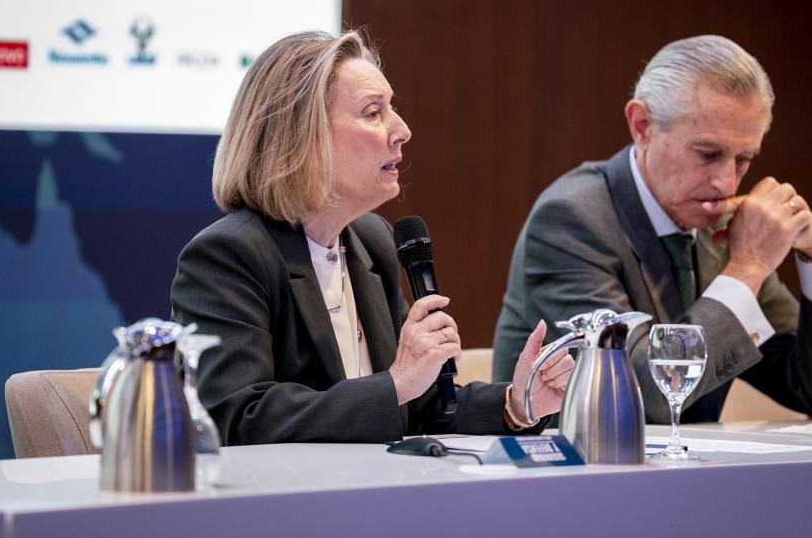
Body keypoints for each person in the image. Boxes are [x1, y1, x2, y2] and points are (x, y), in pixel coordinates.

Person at [171, 30, 573, 444]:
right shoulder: (229, 256)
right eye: (372, 112)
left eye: (391, 109)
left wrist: (517, 403)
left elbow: (420, 407)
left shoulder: (371, 242)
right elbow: (237, 419)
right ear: (302, 137)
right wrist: (396, 382)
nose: (402, 130)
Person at [492, 35, 812, 423]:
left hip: (689, 477)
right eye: (708, 154)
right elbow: (637, 398)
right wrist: (748, 268)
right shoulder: (571, 220)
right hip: (571, 476)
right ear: (642, 126)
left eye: (743, 160)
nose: (726, 182)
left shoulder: (722, 229)